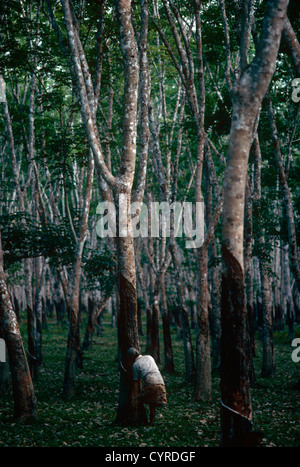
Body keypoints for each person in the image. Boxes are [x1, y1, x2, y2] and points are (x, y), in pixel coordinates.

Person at [126, 347, 167, 426]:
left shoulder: (135, 365)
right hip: (160, 383)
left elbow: (135, 381)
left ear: (132, 357)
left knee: (139, 401)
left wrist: (134, 395)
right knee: (152, 406)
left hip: (150, 383)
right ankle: (151, 423)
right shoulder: (149, 357)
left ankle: (143, 420)